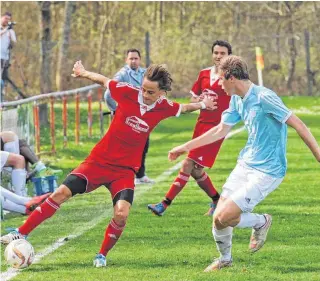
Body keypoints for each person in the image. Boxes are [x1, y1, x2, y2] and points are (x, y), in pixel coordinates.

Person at [0, 60, 217, 268]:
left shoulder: (164, 107)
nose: (145, 94)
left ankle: (101, 255)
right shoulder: (126, 92)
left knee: (121, 214)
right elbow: (104, 80)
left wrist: (203, 104)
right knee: (60, 194)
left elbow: (185, 108)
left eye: (151, 92)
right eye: (143, 89)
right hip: (98, 162)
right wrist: (83, 73)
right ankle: (22, 231)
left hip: (124, 172)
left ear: (162, 93)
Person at [167, 55, 320, 272]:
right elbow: (220, 130)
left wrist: (319, 156)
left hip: (268, 170)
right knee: (218, 220)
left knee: (225, 215)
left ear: (231, 77)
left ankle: (261, 221)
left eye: (221, 79)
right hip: (245, 164)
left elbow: (298, 124)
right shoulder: (236, 99)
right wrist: (185, 147)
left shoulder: (264, 97)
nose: (219, 84)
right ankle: (225, 260)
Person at [148, 40, 232, 217]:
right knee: (196, 170)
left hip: (217, 129)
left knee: (187, 163)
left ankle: (164, 204)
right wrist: (202, 103)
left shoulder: (231, 78)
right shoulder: (203, 74)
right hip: (201, 125)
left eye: (222, 53)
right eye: (215, 53)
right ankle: (217, 200)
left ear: (229, 56)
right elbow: (193, 101)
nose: (218, 56)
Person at [104, 49, 153, 185]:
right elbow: (108, 94)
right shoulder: (122, 75)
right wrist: (115, 110)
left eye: (136, 58)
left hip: (143, 116)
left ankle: (140, 175)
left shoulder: (145, 73)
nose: (134, 61)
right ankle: (122, 176)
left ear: (140, 59)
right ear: (126, 60)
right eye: (131, 58)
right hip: (128, 118)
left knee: (143, 146)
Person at [0, 11, 16, 101]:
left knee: (3, 81)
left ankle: (2, 101)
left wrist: (10, 34)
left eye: (9, 19)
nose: (7, 21)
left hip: (5, 59)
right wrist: (5, 30)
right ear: (1, 17)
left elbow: (14, 42)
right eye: (6, 18)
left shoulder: (10, 31)